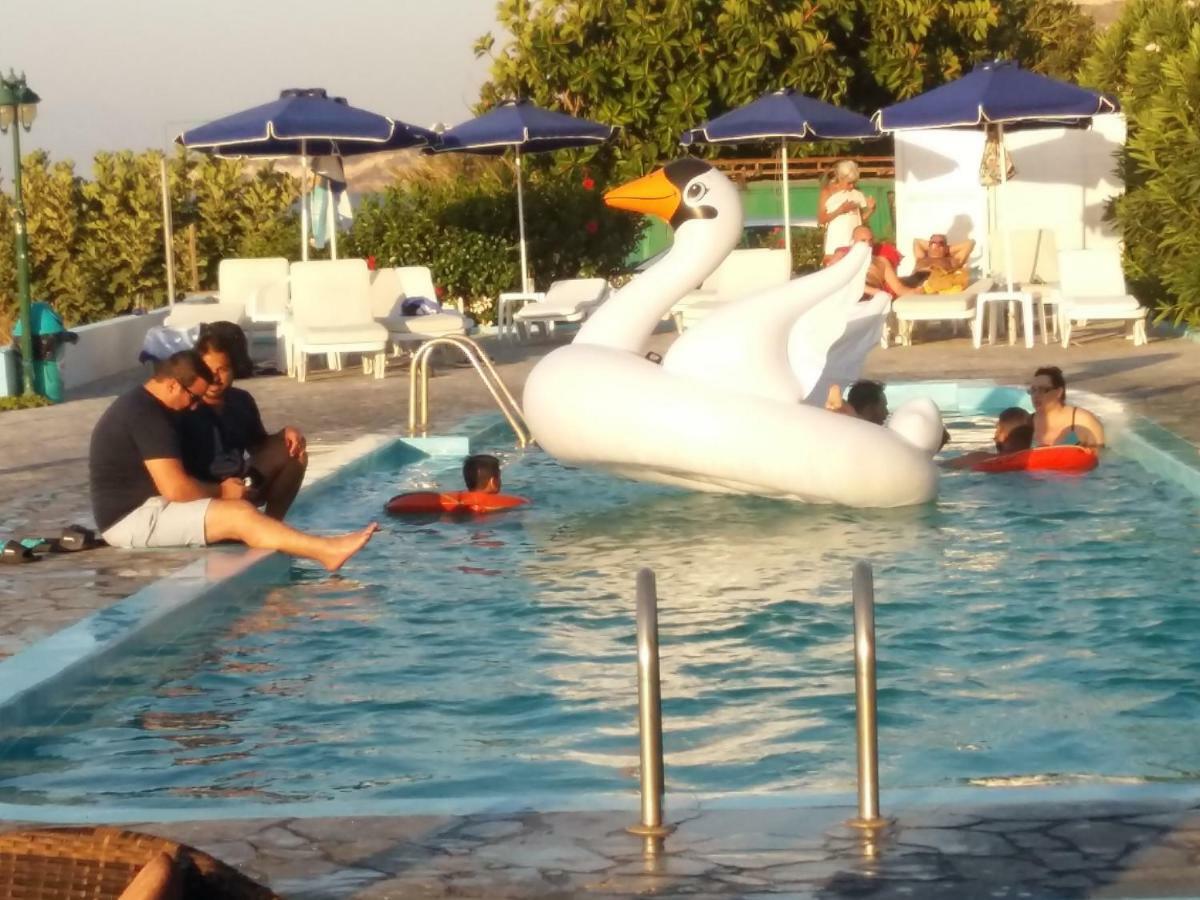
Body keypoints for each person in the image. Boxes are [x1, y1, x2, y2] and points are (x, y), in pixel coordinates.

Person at [88, 350, 376, 571]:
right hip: (131, 519)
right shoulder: (145, 415)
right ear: (174, 385)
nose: (195, 406)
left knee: (243, 506)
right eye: (193, 397)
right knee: (238, 514)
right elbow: (176, 490)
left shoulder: (152, 407)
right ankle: (326, 551)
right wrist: (223, 493)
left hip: (155, 506)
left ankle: (269, 533)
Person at [180, 331, 308, 520]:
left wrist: (286, 433)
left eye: (222, 369)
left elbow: (259, 445)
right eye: (208, 370)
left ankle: (273, 523)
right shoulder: (185, 406)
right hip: (207, 492)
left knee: (294, 452)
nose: (215, 378)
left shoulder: (241, 400)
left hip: (242, 482)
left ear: (233, 369)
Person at [1029, 366, 1105, 447]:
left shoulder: (1083, 420)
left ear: (1059, 392)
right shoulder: (1027, 424)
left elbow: (1102, 457)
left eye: (1043, 389)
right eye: (1033, 390)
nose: (1035, 395)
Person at [941, 407, 1034, 469]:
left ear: (1001, 431)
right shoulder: (1041, 460)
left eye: (997, 428)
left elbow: (940, 466)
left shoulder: (979, 458)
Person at [818, 160, 875, 256]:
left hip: (854, 244)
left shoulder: (856, 193)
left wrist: (871, 209)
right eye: (849, 183)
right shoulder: (827, 192)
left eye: (854, 183)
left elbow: (860, 220)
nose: (852, 186)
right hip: (836, 244)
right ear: (840, 178)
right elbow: (821, 219)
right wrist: (840, 210)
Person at [852, 226, 918, 297]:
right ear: (853, 242)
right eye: (863, 240)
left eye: (870, 240)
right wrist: (874, 291)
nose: (868, 244)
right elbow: (843, 284)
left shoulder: (881, 262)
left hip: (875, 303)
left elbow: (899, 289)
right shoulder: (844, 261)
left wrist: (917, 291)